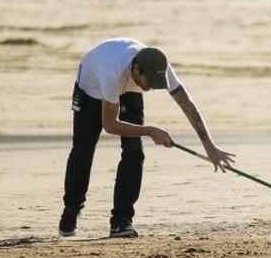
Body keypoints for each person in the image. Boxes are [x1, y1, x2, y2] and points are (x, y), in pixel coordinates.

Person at [59, 39, 235, 238]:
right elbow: (110, 125)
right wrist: (151, 131)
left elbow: (187, 104)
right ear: (136, 70)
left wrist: (209, 146)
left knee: (134, 152)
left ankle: (121, 221)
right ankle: (71, 211)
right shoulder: (112, 73)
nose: (151, 87)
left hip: (129, 91)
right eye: (149, 81)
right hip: (91, 90)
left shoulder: (159, 66)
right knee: (83, 149)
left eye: (156, 82)